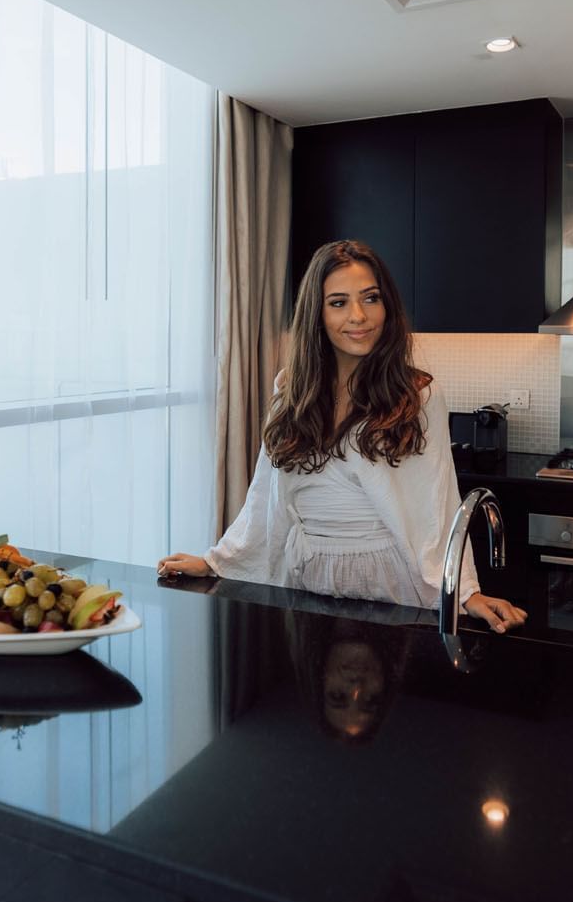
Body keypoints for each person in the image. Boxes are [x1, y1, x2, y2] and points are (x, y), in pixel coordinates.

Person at [158, 239, 528, 633]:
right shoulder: (290, 391)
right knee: (317, 690)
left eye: (370, 298)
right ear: (316, 314)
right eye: (338, 302)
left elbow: (436, 502)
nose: (359, 316)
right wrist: (217, 562)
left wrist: (465, 590)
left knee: (384, 690)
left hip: (389, 580)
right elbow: (266, 496)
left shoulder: (418, 395)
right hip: (306, 577)